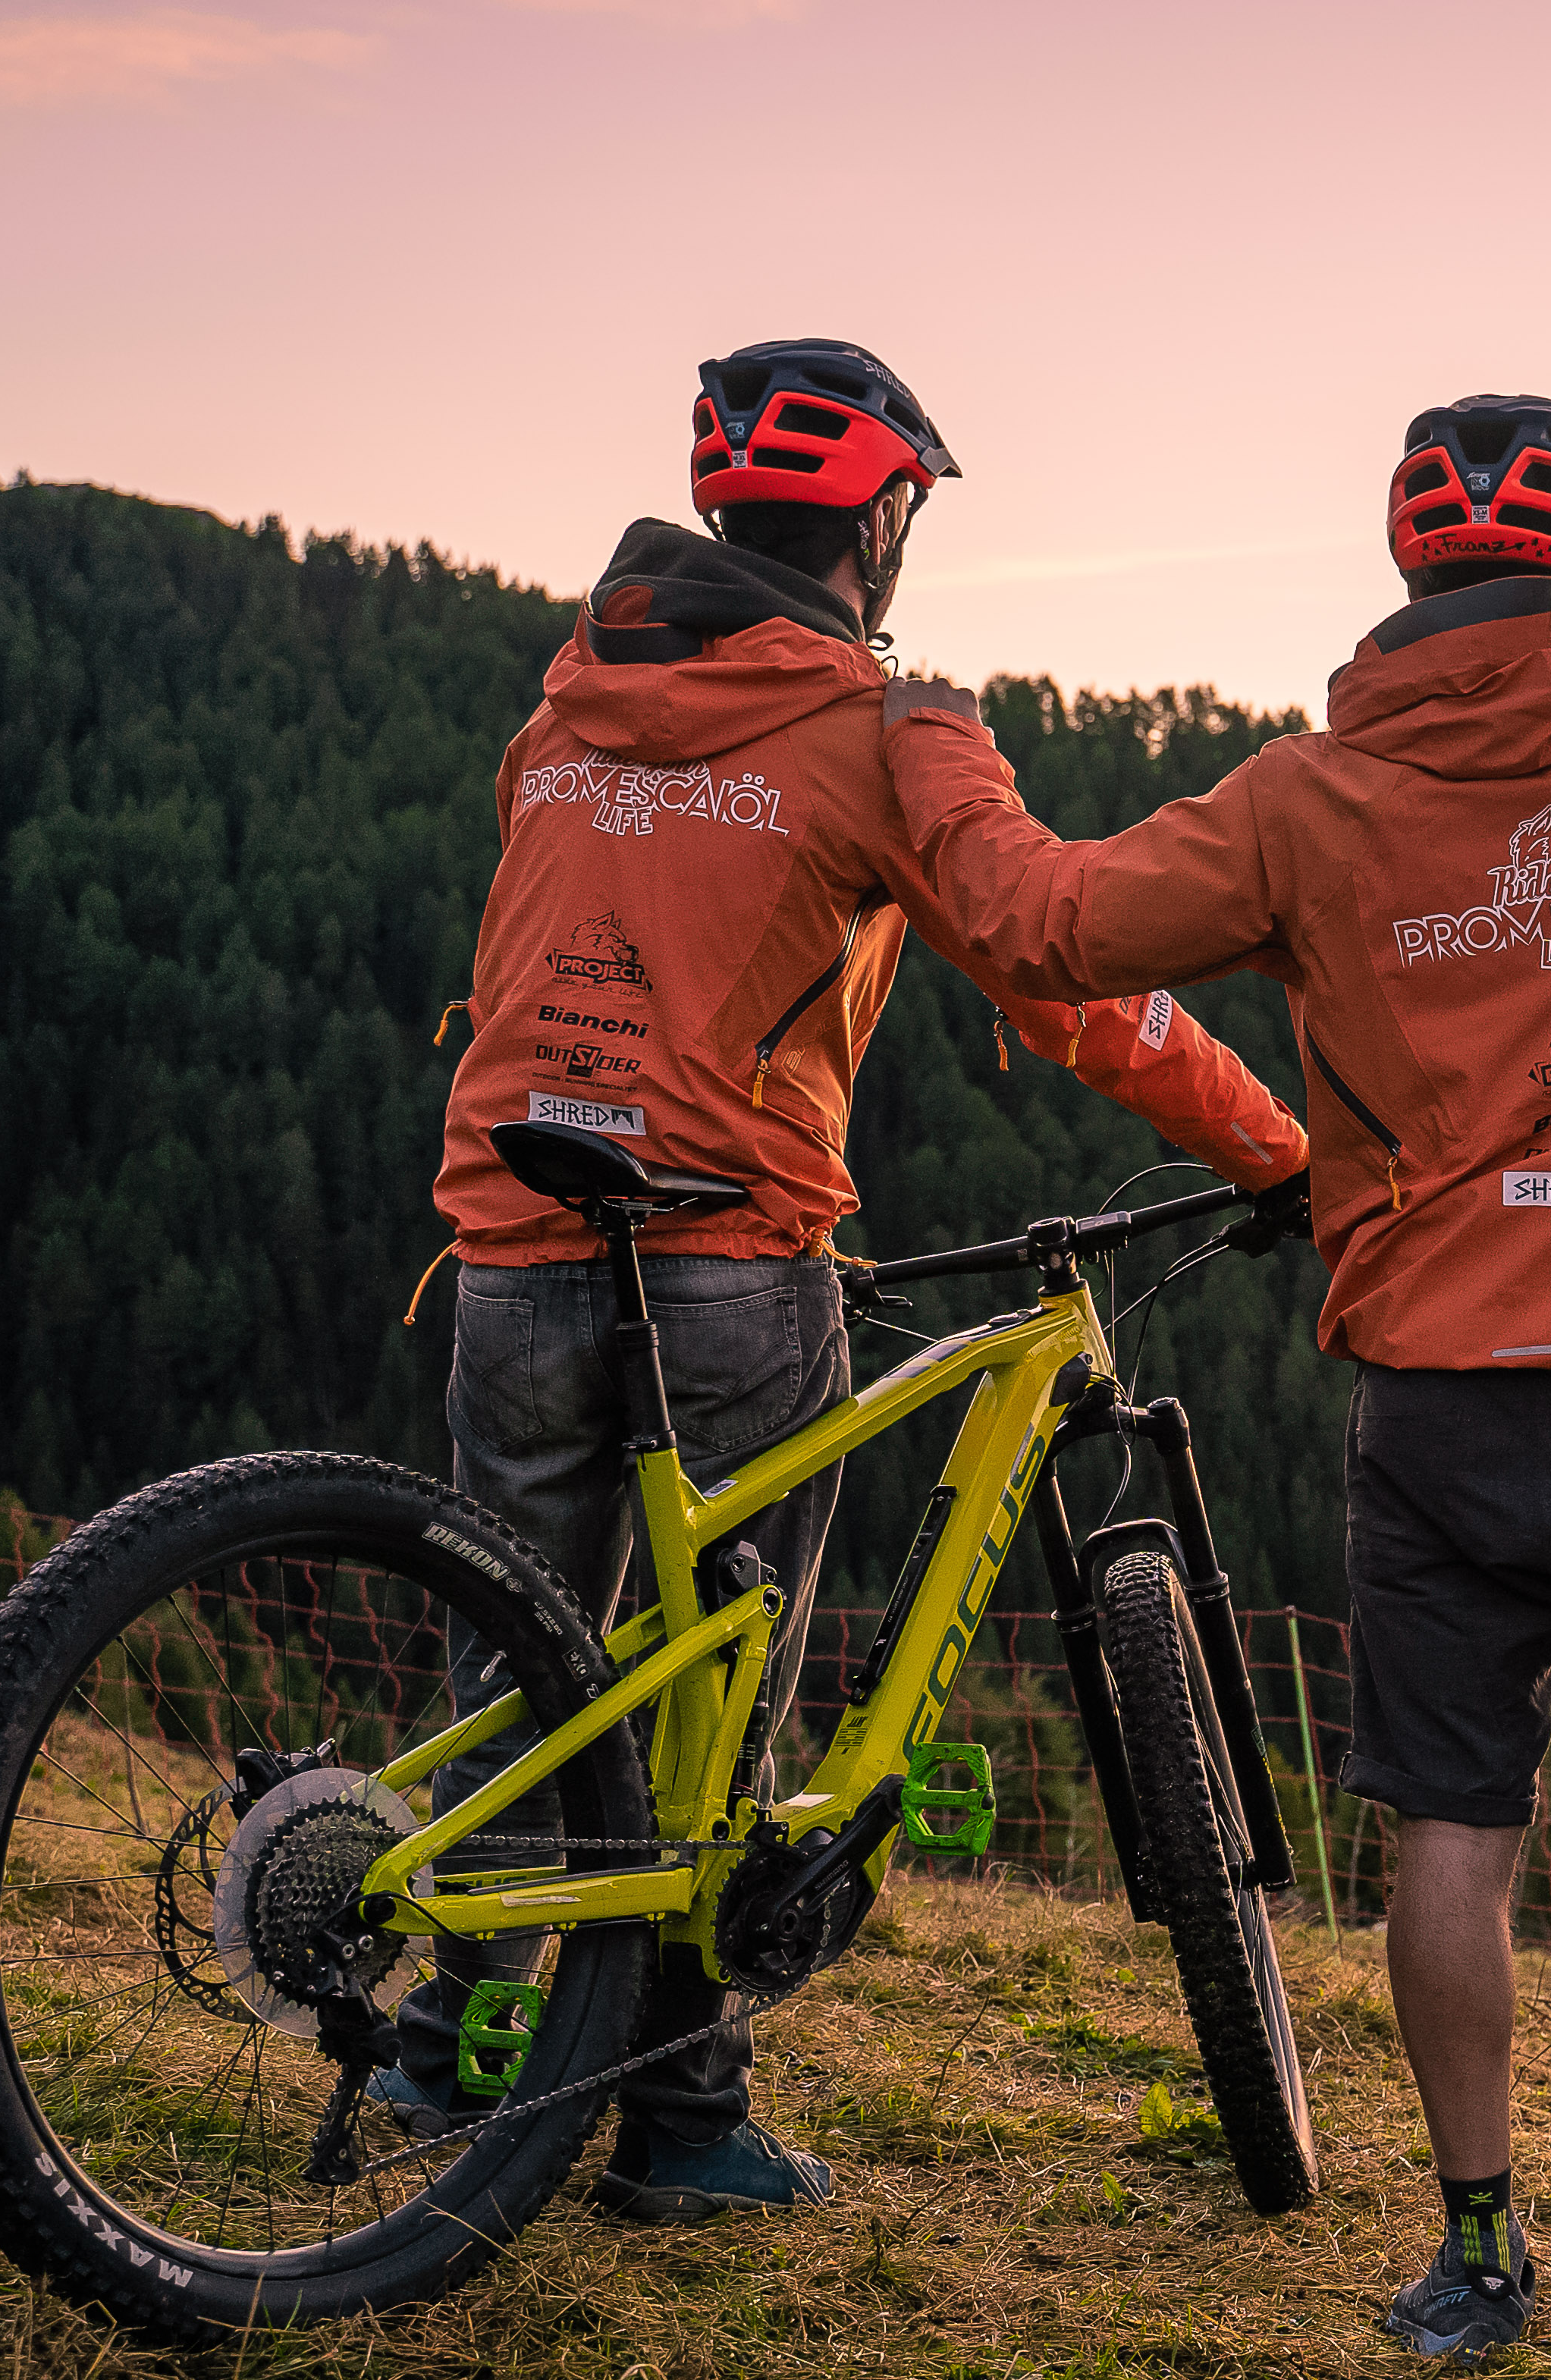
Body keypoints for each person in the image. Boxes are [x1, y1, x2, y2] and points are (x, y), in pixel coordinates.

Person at [875, 394, 1551, 2380]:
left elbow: (1048, 926)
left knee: (1450, 1834)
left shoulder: (1306, 805)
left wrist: (936, 744)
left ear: (1408, 567)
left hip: (1441, 1396)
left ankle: (1475, 2258)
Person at [400, 337, 1313, 2224]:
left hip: (505, 1239)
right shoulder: (880, 728)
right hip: (728, 1251)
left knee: (525, 1666)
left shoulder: (563, 713)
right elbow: (1055, 970)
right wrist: (1273, 1143)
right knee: (712, 1697)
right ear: (881, 519)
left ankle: (456, 2044)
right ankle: (677, 2116)